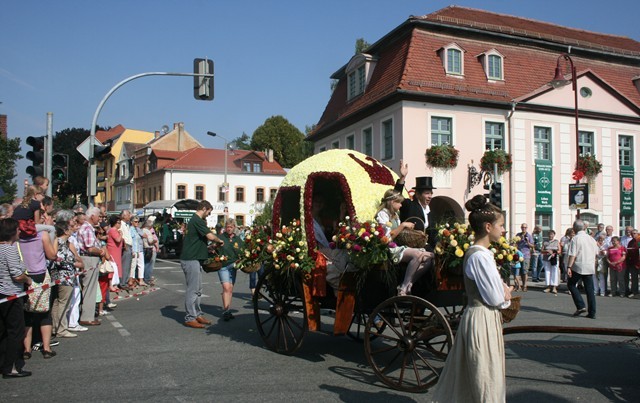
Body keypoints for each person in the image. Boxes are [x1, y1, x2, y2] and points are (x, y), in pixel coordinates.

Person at [431, 195, 512, 402]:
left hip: (483, 317)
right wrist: (506, 295)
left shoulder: (481, 253)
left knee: (480, 373)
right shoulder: (479, 256)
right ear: (487, 226)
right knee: (484, 376)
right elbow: (495, 298)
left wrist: (502, 291)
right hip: (482, 318)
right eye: (501, 225)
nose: (503, 230)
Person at [375, 189, 433, 295]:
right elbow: (387, 238)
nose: (401, 206)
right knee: (417, 254)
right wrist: (403, 225)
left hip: (397, 245)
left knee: (429, 257)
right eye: (399, 203)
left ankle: (409, 283)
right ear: (392, 202)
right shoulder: (383, 214)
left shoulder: (395, 215)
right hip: (388, 248)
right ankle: (403, 287)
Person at [19, 213, 58, 359]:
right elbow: (52, 255)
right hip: (40, 274)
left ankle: (26, 349)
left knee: (27, 313)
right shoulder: (43, 234)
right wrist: (53, 234)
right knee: (44, 313)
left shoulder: (19, 234)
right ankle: (46, 348)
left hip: (24, 274)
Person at [180, 200, 224, 329]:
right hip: (190, 259)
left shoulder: (195, 221)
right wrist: (219, 240)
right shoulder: (197, 220)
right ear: (204, 208)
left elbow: (199, 241)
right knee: (193, 290)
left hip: (195, 258)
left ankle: (197, 314)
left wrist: (208, 249)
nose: (208, 215)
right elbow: (210, 236)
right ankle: (190, 317)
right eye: (209, 212)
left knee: (198, 290)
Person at [0, 218, 33, 378]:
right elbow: (17, 274)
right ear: (12, 232)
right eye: (18, 230)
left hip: (2, 293)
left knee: (4, 331)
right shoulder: (9, 250)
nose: (20, 232)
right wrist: (28, 279)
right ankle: (11, 367)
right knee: (16, 331)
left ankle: (3, 363)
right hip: (11, 293)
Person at [49, 220, 84, 338]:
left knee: (58, 303)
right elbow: (57, 258)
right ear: (65, 230)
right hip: (62, 277)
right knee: (62, 303)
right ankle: (61, 329)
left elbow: (79, 260)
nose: (71, 230)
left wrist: (75, 262)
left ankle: (56, 327)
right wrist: (74, 263)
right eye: (69, 228)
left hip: (67, 276)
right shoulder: (58, 242)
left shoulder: (68, 243)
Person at [393, 161, 436, 249]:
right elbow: (396, 196)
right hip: (409, 246)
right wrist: (402, 177)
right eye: (427, 193)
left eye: (431, 193)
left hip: (425, 247)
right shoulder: (409, 205)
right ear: (417, 194)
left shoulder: (429, 211)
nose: (430, 196)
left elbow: (432, 233)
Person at [76, 207, 105, 326]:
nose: (99, 218)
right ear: (92, 216)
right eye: (98, 216)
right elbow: (90, 248)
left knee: (89, 288)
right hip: (89, 259)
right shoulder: (87, 228)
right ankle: (87, 317)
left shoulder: (88, 228)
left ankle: (88, 314)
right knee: (90, 289)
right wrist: (101, 252)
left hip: (88, 259)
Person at [566, 219, 599, 319]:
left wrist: (569, 267)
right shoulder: (591, 239)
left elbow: (573, 254)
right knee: (590, 290)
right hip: (589, 266)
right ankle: (592, 312)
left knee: (571, 284)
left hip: (579, 266)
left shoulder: (576, 239)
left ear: (575, 228)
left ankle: (580, 305)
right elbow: (596, 253)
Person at [217, 218, 244, 321]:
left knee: (230, 289)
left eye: (231, 227)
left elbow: (243, 250)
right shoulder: (220, 237)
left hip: (233, 266)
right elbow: (213, 247)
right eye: (227, 227)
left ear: (234, 228)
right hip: (223, 266)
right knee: (226, 288)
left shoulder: (238, 239)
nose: (229, 229)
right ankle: (226, 311)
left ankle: (227, 310)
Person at [106, 215, 123, 293]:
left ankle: (115, 284)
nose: (120, 224)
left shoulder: (115, 230)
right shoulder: (113, 230)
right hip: (112, 251)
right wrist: (121, 234)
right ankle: (111, 285)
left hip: (117, 251)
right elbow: (118, 239)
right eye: (118, 223)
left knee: (117, 267)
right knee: (113, 268)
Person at [516, 223, 534, 291]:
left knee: (525, 271)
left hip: (526, 255)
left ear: (527, 228)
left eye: (525, 227)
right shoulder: (518, 235)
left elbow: (532, 246)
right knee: (519, 271)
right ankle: (519, 285)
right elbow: (515, 243)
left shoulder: (529, 236)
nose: (523, 229)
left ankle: (525, 285)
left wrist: (528, 242)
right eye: (522, 227)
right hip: (518, 254)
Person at [541, 229, 560, 295]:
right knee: (547, 272)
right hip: (546, 259)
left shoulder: (556, 241)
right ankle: (548, 286)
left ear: (554, 235)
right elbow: (542, 250)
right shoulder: (545, 242)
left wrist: (554, 252)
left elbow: (559, 250)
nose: (550, 235)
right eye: (549, 234)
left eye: (552, 234)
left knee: (554, 272)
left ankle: (554, 287)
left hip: (554, 258)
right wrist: (547, 251)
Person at [119, 210, 133, 290]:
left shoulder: (127, 225)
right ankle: (123, 282)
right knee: (125, 265)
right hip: (125, 246)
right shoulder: (121, 224)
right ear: (124, 216)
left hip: (129, 246)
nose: (129, 216)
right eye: (128, 214)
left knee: (128, 265)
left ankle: (125, 281)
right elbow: (122, 235)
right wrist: (125, 245)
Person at [141, 219, 157, 286]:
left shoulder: (141, 230)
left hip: (143, 248)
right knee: (148, 264)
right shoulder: (147, 231)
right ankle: (147, 278)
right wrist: (154, 241)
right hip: (148, 249)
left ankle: (144, 277)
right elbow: (150, 241)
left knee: (144, 264)